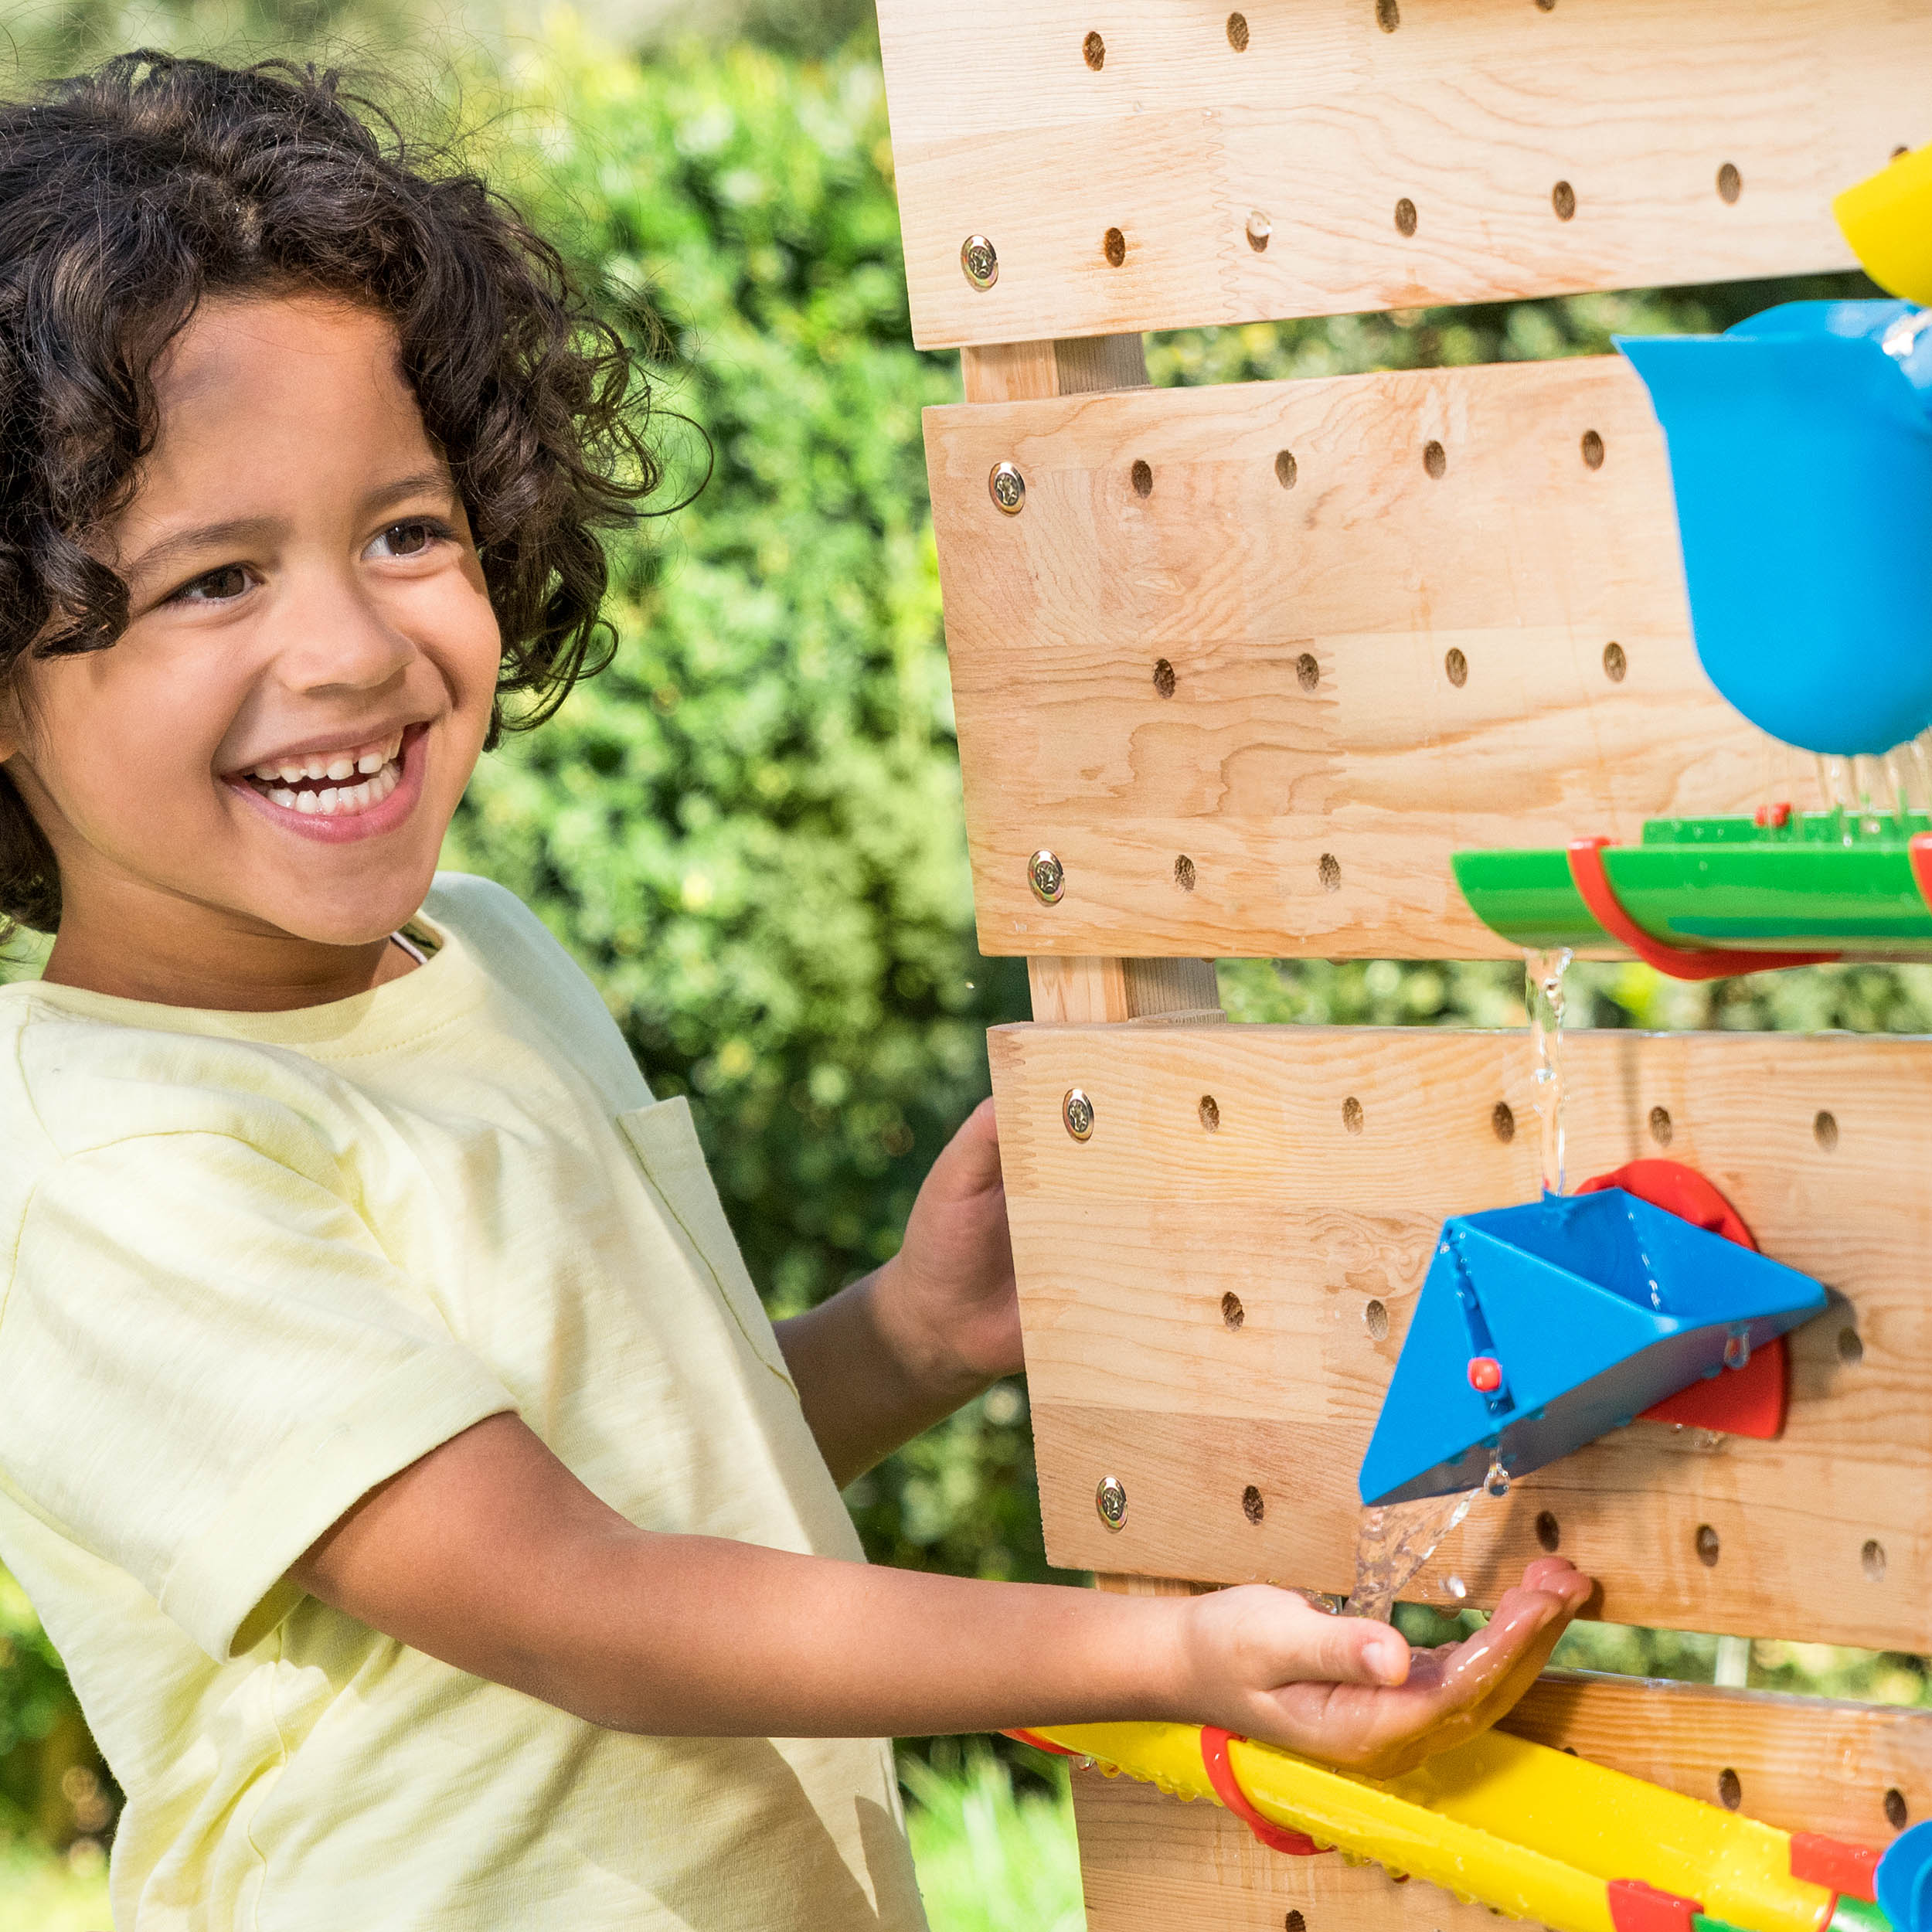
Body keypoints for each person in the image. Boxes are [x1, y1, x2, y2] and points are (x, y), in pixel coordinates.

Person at [0, 52, 1594, 1930]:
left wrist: (901, 1334)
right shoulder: (101, 1159)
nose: (347, 645)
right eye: (210, 581)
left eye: (405, 530)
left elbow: (640, 1494)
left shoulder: (486, 951)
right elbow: (579, 1601)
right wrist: (1156, 1656)